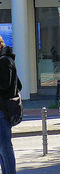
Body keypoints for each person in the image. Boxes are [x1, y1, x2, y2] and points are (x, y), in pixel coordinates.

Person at [0, 35, 18, 174]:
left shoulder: (4, 61)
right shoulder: (6, 60)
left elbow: (4, 85)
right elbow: (20, 85)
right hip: (3, 108)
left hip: (2, 110)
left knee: (5, 148)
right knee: (2, 148)